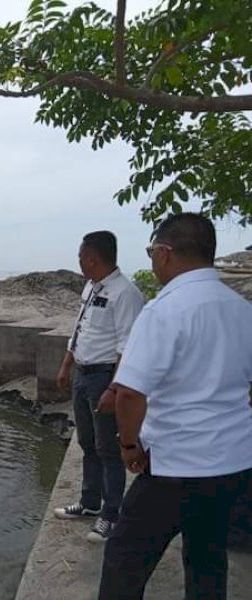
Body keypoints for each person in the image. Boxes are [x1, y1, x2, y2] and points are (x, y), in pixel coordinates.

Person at [99, 213, 252, 599]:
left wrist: (129, 445)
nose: (152, 261)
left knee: (125, 559)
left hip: (175, 466)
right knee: (207, 558)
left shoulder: (164, 310)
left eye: (152, 252)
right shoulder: (240, 309)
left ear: (165, 253)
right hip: (232, 464)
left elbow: (130, 393)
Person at [53, 231, 145, 542]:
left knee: (108, 448)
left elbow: (127, 347)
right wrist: (67, 364)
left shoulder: (125, 293)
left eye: (81, 258)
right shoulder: (92, 287)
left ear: (92, 258)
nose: (79, 263)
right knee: (87, 444)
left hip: (105, 377)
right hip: (82, 373)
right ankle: (90, 503)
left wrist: (114, 389)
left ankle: (111, 514)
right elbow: (80, 328)